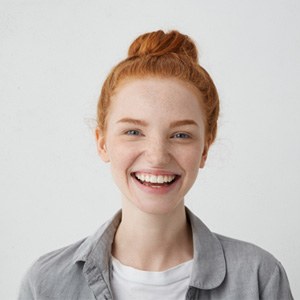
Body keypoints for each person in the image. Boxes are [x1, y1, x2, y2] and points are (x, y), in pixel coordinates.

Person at [18, 30, 294, 300]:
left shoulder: (259, 277)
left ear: (205, 149)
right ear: (102, 143)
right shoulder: (45, 284)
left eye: (181, 135)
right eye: (134, 132)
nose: (157, 156)